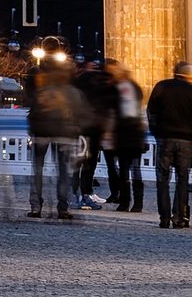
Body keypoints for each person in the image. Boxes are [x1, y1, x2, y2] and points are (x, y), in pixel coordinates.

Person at [25, 60, 91, 222]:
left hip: (41, 134)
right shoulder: (73, 93)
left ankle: (36, 206)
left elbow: (33, 113)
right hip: (64, 136)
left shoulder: (44, 91)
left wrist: (34, 130)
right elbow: (83, 115)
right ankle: (63, 207)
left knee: (38, 170)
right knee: (63, 172)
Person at [147, 62, 192, 229]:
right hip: (187, 140)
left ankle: (164, 217)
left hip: (165, 137)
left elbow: (151, 111)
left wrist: (156, 131)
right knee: (182, 179)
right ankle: (179, 217)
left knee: (163, 178)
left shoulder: (162, 86)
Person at [103, 59, 146, 213]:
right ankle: (137, 202)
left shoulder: (117, 87)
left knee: (125, 168)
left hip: (123, 131)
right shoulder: (134, 86)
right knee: (134, 167)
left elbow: (114, 111)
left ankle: (125, 201)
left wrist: (109, 132)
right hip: (135, 130)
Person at [72, 60, 113, 210]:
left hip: (83, 129)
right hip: (93, 129)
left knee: (81, 163)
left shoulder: (80, 83)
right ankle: (84, 194)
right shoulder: (101, 84)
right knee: (89, 164)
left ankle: (79, 194)